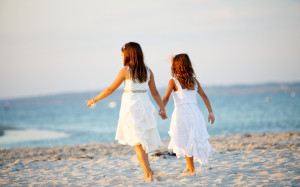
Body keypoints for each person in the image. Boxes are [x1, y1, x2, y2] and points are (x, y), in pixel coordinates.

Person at [85, 42, 167, 181]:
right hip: (145, 105)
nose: (122, 56)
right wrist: (162, 108)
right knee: (141, 141)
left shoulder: (125, 71)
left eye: (123, 53)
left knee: (137, 142)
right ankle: (149, 171)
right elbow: (155, 93)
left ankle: (148, 174)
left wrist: (95, 99)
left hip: (132, 107)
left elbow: (110, 90)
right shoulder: (148, 71)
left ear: (129, 54)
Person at [162, 53, 215, 176]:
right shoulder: (194, 81)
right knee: (190, 138)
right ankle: (189, 165)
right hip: (195, 113)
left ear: (174, 67)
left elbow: (166, 98)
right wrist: (210, 112)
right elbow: (204, 96)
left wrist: (161, 108)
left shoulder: (173, 81)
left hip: (182, 114)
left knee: (185, 139)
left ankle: (192, 169)